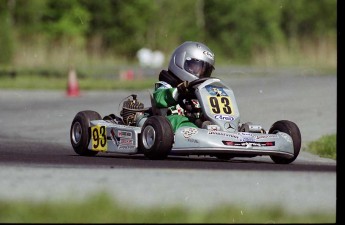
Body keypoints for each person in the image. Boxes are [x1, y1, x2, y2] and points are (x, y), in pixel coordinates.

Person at [152, 41, 215, 132]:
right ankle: (201, 130)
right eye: (195, 67)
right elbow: (159, 98)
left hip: (197, 122)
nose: (201, 73)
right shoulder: (167, 84)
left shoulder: (199, 90)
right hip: (168, 124)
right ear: (181, 61)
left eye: (205, 71)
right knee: (178, 120)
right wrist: (178, 91)